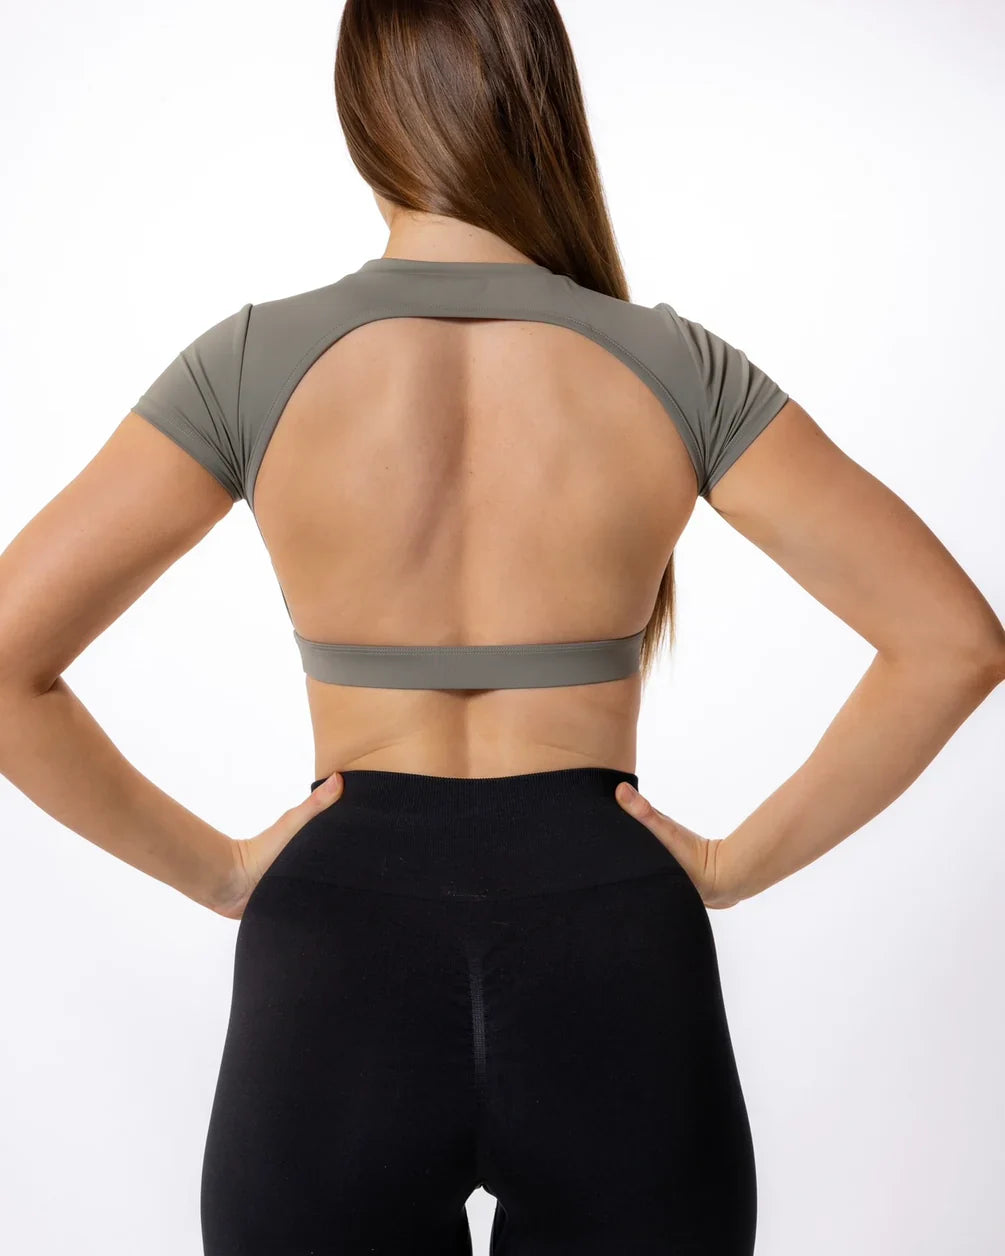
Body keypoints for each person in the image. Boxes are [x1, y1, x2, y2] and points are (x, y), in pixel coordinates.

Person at [1, 1, 1002, 1253]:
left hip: (336, 948)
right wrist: (730, 864)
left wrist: (221, 870)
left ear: (364, 114)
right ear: (542, 102)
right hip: (612, 936)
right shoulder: (671, 365)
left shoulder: (252, 362)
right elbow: (954, 641)